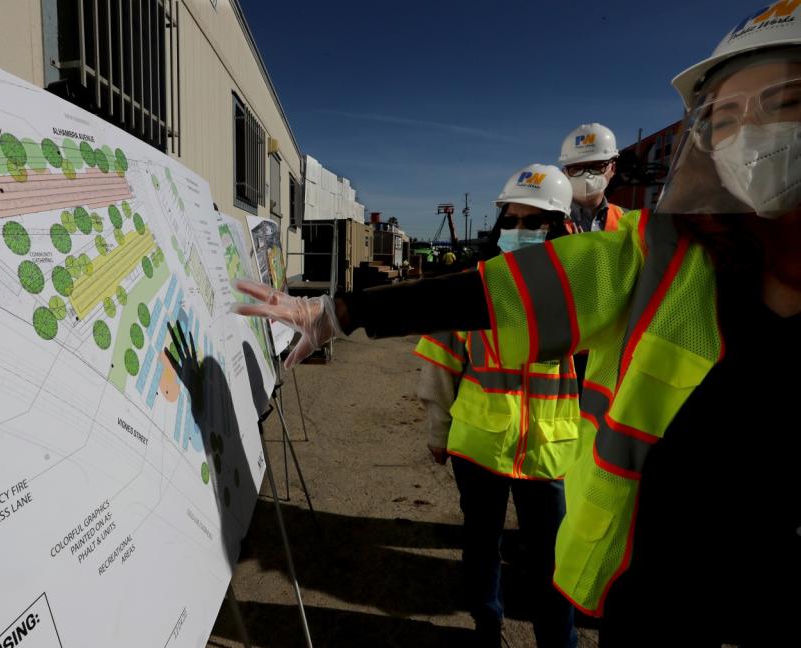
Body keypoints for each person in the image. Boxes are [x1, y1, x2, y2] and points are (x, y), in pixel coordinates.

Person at [230, 7, 801, 645]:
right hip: (655, 585)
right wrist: (339, 312)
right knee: (496, 562)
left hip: (554, 458)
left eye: (788, 101)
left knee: (540, 566)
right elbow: (482, 305)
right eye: (725, 117)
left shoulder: (632, 244)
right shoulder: (657, 261)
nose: (752, 134)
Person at [416, 165, 579, 647]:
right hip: (479, 446)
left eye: (535, 222)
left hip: (550, 450)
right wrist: (437, 432)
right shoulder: (472, 286)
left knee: (553, 561)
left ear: (561, 228)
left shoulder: (579, 294)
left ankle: (559, 642)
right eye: (511, 220)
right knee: (482, 547)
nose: (519, 231)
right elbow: (440, 366)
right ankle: (487, 628)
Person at [558, 123, 624, 234]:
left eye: (596, 166)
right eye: (576, 168)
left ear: (612, 169)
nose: (587, 175)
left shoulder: (627, 220)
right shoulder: (542, 219)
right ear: (565, 173)